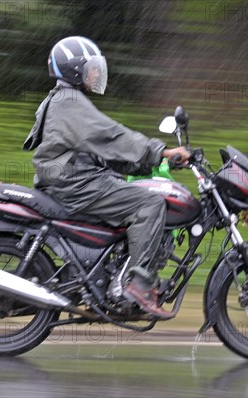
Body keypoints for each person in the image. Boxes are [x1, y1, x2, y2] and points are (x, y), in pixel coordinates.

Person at [23, 36, 190, 318]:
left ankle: (117, 274)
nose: (97, 73)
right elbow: (111, 135)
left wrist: (156, 161)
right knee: (149, 205)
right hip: (74, 183)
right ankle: (137, 285)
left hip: (73, 178)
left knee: (139, 195)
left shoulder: (66, 100)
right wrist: (159, 151)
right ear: (74, 70)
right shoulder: (69, 102)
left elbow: (104, 151)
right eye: (91, 67)